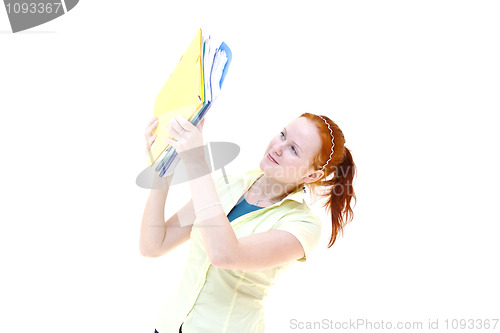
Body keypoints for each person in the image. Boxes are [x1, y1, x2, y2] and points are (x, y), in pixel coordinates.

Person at [140, 112, 356, 333]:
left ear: (312, 176)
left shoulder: (302, 225)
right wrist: (162, 168)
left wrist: (196, 161)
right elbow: (154, 245)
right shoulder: (226, 186)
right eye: (282, 135)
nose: (278, 147)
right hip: (167, 326)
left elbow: (224, 254)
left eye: (294, 149)